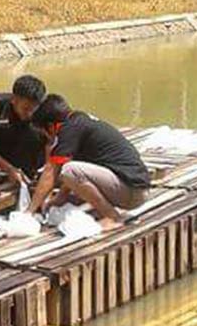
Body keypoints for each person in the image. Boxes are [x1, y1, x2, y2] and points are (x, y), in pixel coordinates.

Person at [26, 94, 150, 230]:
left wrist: (29, 212)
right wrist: (58, 200)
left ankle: (113, 217)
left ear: (50, 126)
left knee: (69, 170)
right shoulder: (79, 121)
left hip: (131, 191)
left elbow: (52, 171)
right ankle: (108, 213)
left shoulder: (69, 129)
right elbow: (75, 170)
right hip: (136, 190)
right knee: (71, 171)